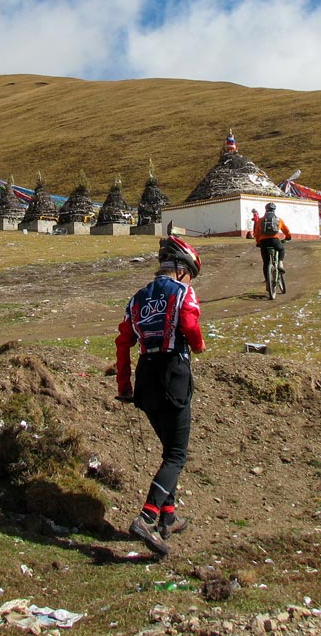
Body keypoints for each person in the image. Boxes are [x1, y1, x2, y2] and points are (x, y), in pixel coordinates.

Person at [115, 235, 205, 557]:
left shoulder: (136, 298)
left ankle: (169, 517)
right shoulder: (183, 292)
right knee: (177, 454)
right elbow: (190, 325)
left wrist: (124, 386)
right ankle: (147, 516)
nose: (191, 279)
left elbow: (123, 342)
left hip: (144, 380)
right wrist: (198, 345)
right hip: (173, 376)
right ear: (181, 269)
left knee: (168, 448)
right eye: (191, 273)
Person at [251, 201, 291, 277]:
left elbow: (256, 233)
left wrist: (258, 242)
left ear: (266, 210)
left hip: (263, 242)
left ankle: (267, 282)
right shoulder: (279, 220)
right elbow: (286, 230)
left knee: (266, 262)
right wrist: (288, 237)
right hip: (275, 240)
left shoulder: (260, 220)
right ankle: (280, 263)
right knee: (281, 249)